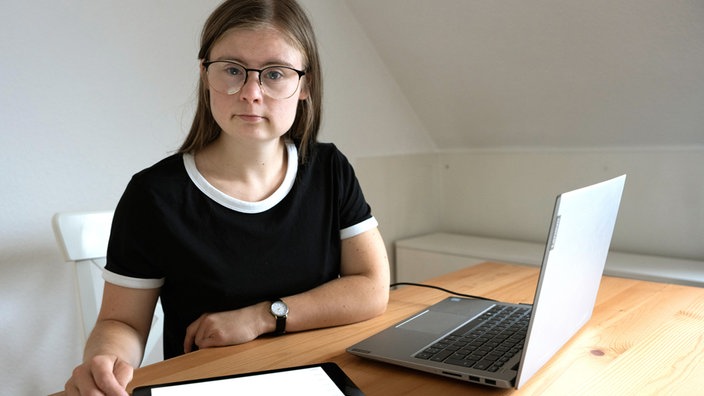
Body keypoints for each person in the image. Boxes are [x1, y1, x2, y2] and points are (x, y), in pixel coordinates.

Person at [63, 0, 390, 394]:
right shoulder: (153, 195)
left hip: (319, 377)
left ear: (305, 85)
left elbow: (371, 287)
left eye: (275, 74)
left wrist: (261, 317)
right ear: (205, 74)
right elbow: (123, 324)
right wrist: (104, 364)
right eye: (233, 70)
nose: (251, 92)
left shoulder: (329, 168)